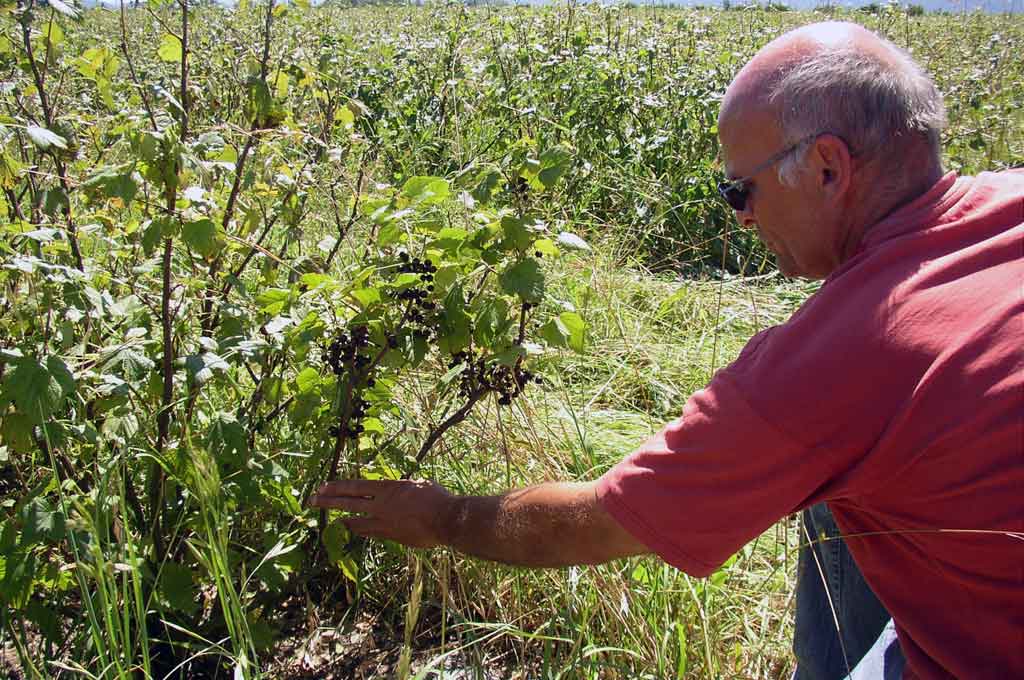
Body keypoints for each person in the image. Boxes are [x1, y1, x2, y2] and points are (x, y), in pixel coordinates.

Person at [311, 21, 1024, 679]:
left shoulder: (838, 360)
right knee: (837, 501)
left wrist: (442, 518)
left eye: (739, 191)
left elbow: (600, 522)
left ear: (829, 168)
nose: (741, 218)